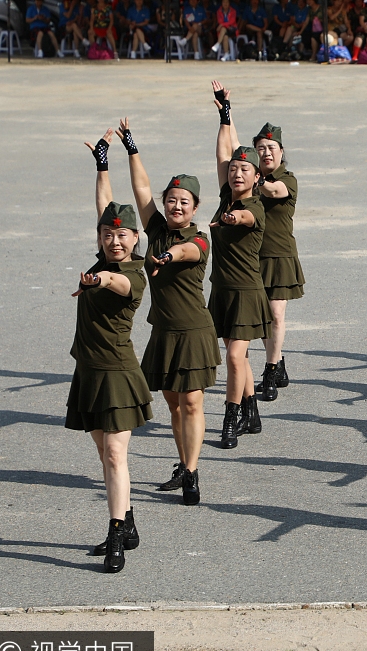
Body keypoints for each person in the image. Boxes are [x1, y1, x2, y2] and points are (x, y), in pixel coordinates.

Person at [115, 118, 220, 507]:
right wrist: (131, 147)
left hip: (193, 331)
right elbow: (141, 188)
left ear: (194, 208)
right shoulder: (156, 225)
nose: (175, 205)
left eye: (184, 202)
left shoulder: (198, 237)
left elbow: (188, 253)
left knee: (192, 401)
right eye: (171, 199)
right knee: (174, 402)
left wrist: (166, 255)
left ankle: (192, 472)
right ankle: (182, 461)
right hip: (163, 330)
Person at [72, 129, 153, 574]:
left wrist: (97, 280)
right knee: (104, 454)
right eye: (108, 234)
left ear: (136, 239)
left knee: (117, 455)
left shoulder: (132, 274)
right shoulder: (103, 252)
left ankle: (116, 532)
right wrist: (102, 163)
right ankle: (129, 520)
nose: (115, 240)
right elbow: (104, 205)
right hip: (88, 370)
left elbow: (117, 283)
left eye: (122, 235)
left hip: (118, 374)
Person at [221, 119, 305, 402]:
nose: (267, 152)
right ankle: (277, 361)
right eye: (261, 148)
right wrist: (227, 117)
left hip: (279, 256)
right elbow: (233, 152)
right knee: (254, 320)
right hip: (249, 259)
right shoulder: (245, 178)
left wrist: (256, 177)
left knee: (275, 315)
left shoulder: (286, 180)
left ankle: (270, 370)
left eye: (271, 148)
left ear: (281, 152)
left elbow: (273, 191)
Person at [210, 81, 272, 449]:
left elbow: (244, 219)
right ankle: (252, 410)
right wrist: (224, 114)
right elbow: (222, 153)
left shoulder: (254, 207)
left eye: (243, 171)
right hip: (223, 290)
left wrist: (232, 220)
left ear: (256, 178)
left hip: (248, 293)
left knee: (234, 356)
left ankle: (230, 417)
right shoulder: (224, 195)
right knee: (239, 356)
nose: (236, 174)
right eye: (234, 170)